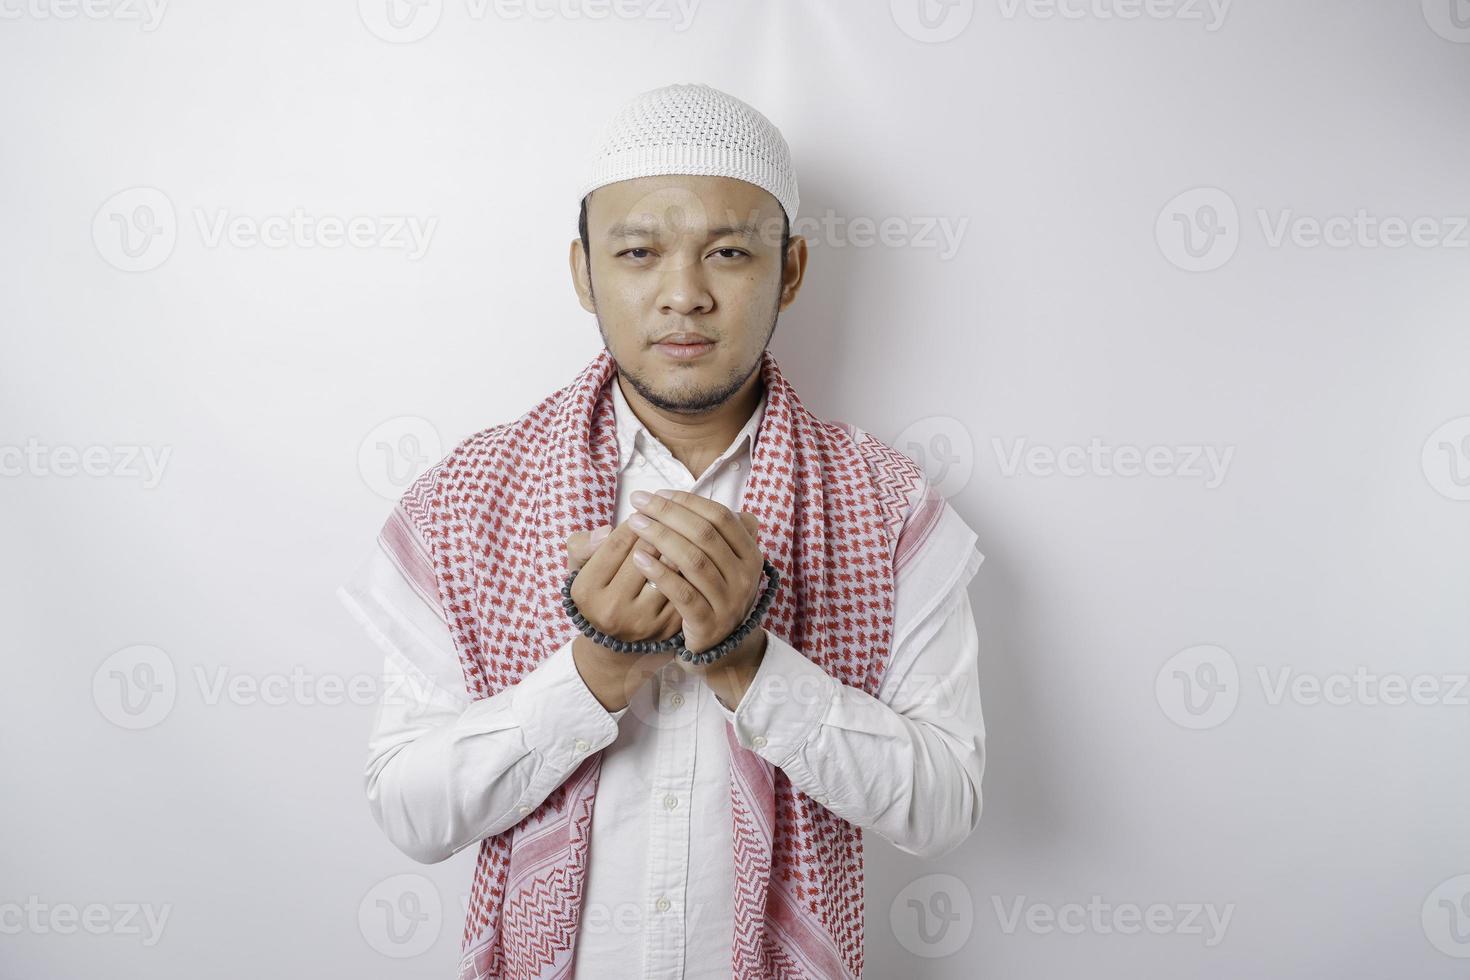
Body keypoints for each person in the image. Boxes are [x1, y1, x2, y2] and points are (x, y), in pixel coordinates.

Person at [337, 81, 987, 980]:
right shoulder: (469, 499)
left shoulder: (888, 506)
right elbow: (411, 816)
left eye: (727, 252)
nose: (684, 296)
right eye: (639, 251)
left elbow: (943, 807)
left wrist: (747, 665)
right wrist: (595, 671)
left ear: (790, 272)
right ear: (583, 271)